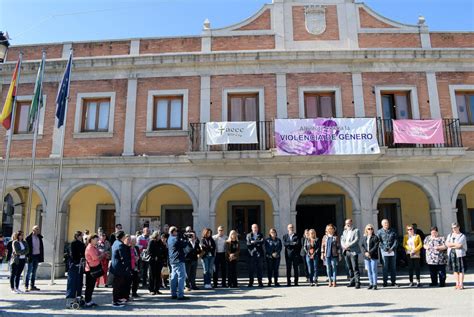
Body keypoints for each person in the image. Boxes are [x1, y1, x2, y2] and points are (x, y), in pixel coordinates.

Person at [110, 231, 131, 307]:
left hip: (115, 267)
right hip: (119, 268)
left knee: (117, 284)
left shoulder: (115, 242)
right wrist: (127, 267)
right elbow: (124, 258)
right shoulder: (120, 245)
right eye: (124, 236)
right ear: (122, 237)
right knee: (117, 285)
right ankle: (115, 301)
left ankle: (117, 299)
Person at [168, 226, 190, 300]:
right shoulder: (175, 239)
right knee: (181, 277)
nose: (177, 232)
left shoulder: (169, 238)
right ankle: (180, 295)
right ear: (173, 232)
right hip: (178, 260)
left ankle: (173, 294)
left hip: (172, 260)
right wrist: (187, 239)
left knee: (174, 277)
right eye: (176, 231)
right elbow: (184, 245)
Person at [66, 231, 85, 307]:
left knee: (79, 283)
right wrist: (78, 260)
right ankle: (71, 299)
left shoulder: (80, 243)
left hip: (78, 265)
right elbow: (73, 254)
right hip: (75, 265)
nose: (82, 237)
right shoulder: (74, 243)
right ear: (77, 236)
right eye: (81, 236)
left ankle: (78, 298)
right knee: (73, 283)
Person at [377, 219, 399, 287]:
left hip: (392, 251)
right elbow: (379, 242)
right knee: (385, 267)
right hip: (384, 251)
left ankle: (393, 282)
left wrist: (392, 248)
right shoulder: (379, 232)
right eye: (385, 223)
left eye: (387, 223)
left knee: (393, 267)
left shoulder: (393, 230)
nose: (387, 224)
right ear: (382, 224)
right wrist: (385, 248)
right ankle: (385, 282)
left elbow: (396, 240)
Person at [446, 222, 468, 290]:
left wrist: (451, 245)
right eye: (453, 228)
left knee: (461, 270)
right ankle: (457, 283)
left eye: (455, 227)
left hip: (460, 254)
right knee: (455, 270)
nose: (454, 229)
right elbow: (447, 244)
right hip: (451, 254)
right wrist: (454, 245)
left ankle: (461, 284)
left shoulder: (462, 235)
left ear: (458, 227)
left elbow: (460, 245)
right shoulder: (449, 235)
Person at [341, 219, 361, 289]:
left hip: (353, 251)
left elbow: (357, 239)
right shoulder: (344, 231)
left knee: (355, 267)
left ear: (351, 223)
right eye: (346, 223)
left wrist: (348, 245)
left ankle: (357, 282)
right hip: (346, 251)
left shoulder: (356, 230)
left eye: (349, 223)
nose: (347, 224)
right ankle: (352, 281)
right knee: (349, 268)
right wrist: (344, 246)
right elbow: (342, 240)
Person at [84, 234, 103, 307]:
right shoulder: (90, 248)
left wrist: (101, 254)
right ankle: (87, 301)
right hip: (90, 269)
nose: (97, 241)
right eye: (96, 239)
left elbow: (98, 254)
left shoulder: (94, 247)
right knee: (89, 286)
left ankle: (89, 300)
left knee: (91, 286)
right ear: (91, 239)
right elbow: (95, 258)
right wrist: (102, 255)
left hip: (94, 268)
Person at [24, 225, 44, 292]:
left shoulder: (39, 238)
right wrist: (27, 256)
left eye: (38, 229)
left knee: (34, 272)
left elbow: (41, 248)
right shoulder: (28, 238)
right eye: (36, 229)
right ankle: (26, 286)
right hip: (31, 256)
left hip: (37, 256)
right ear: (33, 230)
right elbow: (26, 248)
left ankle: (32, 286)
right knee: (29, 272)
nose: (38, 230)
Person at [361, 224, 380, 290]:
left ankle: (375, 284)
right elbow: (362, 246)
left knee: (374, 270)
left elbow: (376, 246)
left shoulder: (375, 237)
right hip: (366, 257)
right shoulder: (365, 237)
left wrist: (369, 252)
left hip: (373, 256)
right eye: (369, 229)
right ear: (366, 230)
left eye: (371, 228)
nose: (370, 230)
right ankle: (371, 283)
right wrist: (365, 253)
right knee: (369, 271)